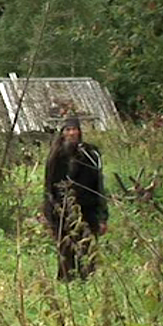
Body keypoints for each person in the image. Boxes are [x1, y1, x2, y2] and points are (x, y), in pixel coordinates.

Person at [43, 117, 108, 281]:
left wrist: (102, 217)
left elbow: (99, 186)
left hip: (88, 210)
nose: (72, 133)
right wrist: (50, 216)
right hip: (63, 212)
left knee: (88, 250)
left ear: (80, 132)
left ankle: (88, 281)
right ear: (62, 133)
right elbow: (49, 188)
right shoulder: (56, 157)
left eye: (74, 129)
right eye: (68, 130)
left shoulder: (90, 154)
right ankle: (68, 282)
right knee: (66, 252)